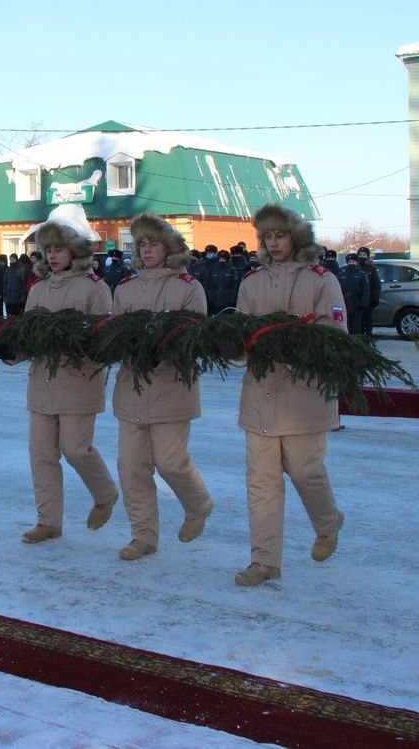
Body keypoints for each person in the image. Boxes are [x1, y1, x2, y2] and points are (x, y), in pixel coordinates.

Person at [233, 203, 347, 587]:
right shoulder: (251, 281)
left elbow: (334, 334)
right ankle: (264, 561)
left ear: (296, 237)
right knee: (261, 483)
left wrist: (295, 353)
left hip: (304, 398)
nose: (274, 242)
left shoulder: (321, 280)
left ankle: (328, 523)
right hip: (260, 397)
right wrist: (235, 348)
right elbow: (242, 334)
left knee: (305, 471)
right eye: (268, 235)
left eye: (280, 234)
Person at [110, 213, 212, 561]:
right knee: (131, 466)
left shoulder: (188, 287)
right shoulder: (125, 288)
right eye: (142, 244)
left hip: (172, 389)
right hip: (131, 389)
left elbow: (195, 338)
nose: (147, 249)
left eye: (154, 243)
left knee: (170, 462)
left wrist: (164, 349)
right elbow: (113, 333)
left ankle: (198, 504)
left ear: (169, 248)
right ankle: (143, 536)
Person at [14, 212, 119, 545]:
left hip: (79, 382)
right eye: (48, 249)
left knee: (75, 449)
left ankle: (105, 493)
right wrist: (10, 350)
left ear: (75, 250)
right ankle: (48, 522)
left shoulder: (94, 288)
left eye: (59, 248)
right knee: (41, 455)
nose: (53, 255)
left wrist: (79, 347)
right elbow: (27, 336)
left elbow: (105, 340)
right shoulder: (39, 289)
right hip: (42, 383)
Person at [336, 253, 370, 335]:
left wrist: (363, 303)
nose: (351, 263)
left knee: (356, 327)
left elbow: (366, 290)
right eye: (349, 261)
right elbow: (338, 289)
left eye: (353, 261)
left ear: (357, 262)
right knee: (345, 326)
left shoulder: (361, 274)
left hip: (356, 304)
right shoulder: (342, 274)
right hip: (344, 303)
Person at [356, 247, 381, 337]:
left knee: (368, 320)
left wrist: (375, 298)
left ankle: (368, 337)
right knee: (359, 322)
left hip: (369, 300)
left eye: (364, 255)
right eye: (360, 255)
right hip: (357, 299)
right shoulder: (356, 267)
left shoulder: (372, 269)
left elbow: (377, 285)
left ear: (368, 256)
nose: (362, 257)